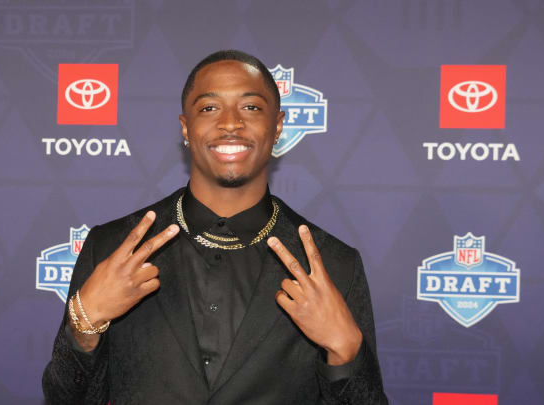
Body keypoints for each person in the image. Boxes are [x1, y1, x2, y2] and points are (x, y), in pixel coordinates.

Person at [42, 50, 388, 404]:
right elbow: (64, 398)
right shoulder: (112, 248)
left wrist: (346, 352)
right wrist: (84, 327)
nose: (230, 123)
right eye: (209, 108)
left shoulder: (334, 265)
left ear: (279, 126)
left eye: (251, 107)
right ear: (185, 128)